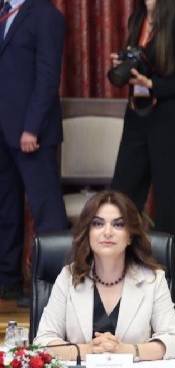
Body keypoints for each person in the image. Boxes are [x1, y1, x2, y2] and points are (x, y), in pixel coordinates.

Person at [109, 0, 175, 311]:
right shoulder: (136, 20)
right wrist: (124, 66)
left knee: (171, 207)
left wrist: (153, 83)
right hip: (136, 117)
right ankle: (116, 284)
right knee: (121, 200)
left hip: (167, 121)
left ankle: (171, 294)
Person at [34, 190, 175, 361]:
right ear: (88, 233)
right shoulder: (68, 277)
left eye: (118, 225)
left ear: (130, 236)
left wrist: (127, 350)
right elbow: (43, 342)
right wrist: (88, 350)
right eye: (98, 224)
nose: (107, 232)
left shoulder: (153, 280)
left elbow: (174, 341)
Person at [0, 0, 69, 302]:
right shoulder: (3, 11)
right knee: (6, 208)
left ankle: (53, 288)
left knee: (46, 211)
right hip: (3, 131)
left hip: (32, 132)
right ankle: (7, 280)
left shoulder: (46, 14)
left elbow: (48, 77)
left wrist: (32, 127)